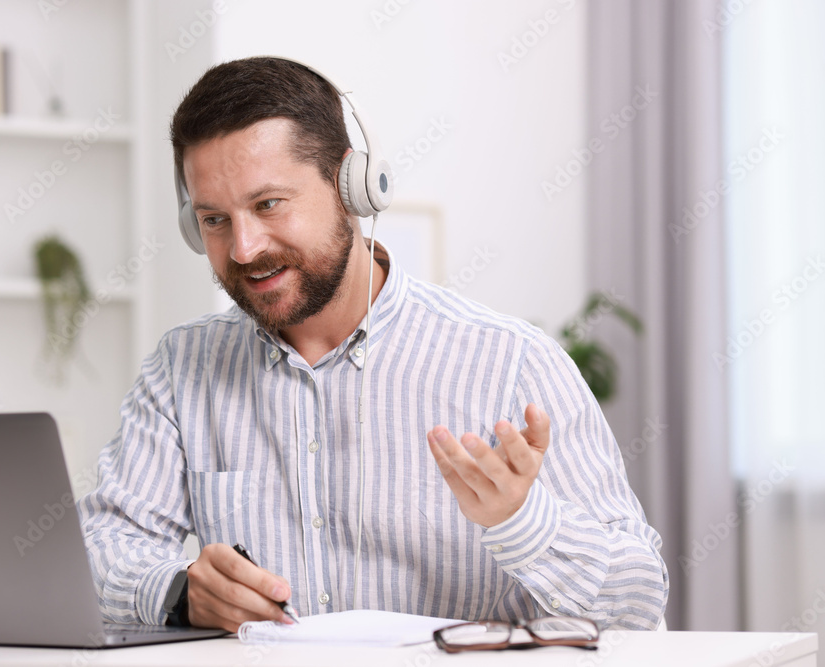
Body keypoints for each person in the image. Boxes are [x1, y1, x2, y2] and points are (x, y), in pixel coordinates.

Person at [78, 56, 669, 634]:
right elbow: (96, 553)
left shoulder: (512, 362)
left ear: (353, 188)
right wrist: (179, 591)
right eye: (213, 220)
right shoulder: (184, 368)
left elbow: (640, 601)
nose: (243, 247)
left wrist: (524, 524)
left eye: (268, 204)